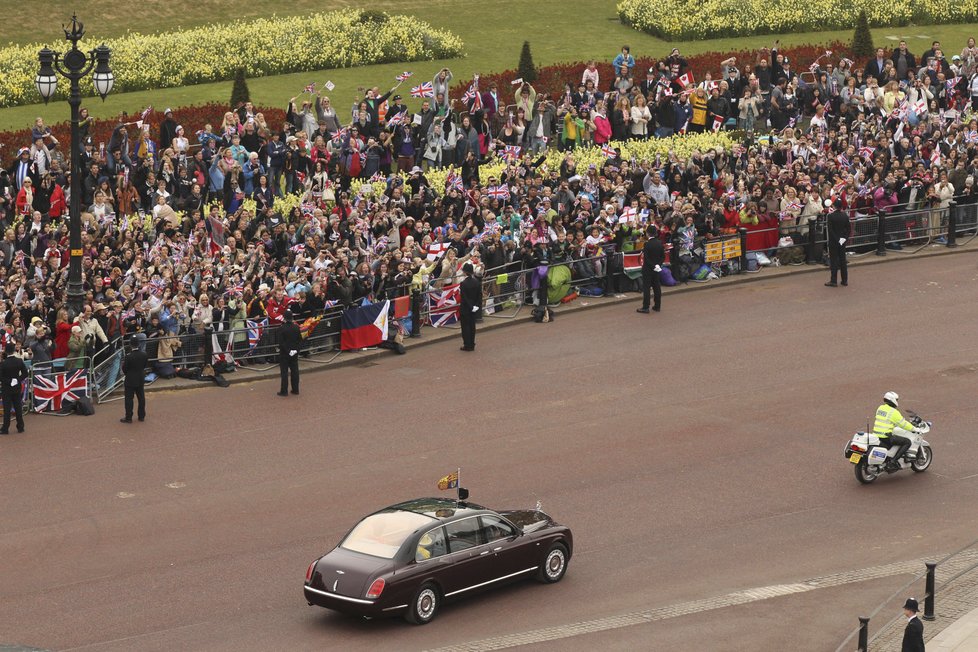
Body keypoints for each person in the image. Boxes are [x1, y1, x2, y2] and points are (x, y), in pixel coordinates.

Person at [873, 392, 921, 472]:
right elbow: (903, 424)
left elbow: (886, 420)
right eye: (896, 399)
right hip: (886, 437)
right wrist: (914, 429)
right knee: (907, 442)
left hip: (876, 435)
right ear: (893, 400)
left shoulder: (880, 408)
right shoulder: (893, 412)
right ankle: (893, 461)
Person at [0, 343, 28, 434]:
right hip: (17, 387)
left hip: (7, 388)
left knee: (7, 409)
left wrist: (9, 381)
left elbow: (1, 377)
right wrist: (17, 380)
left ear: (6, 351)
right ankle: (20, 427)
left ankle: (5, 428)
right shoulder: (19, 361)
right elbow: (25, 373)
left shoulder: (3, 364)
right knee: (18, 407)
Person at [637, 225, 665, 314]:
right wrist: (658, 265)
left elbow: (647, 258)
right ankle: (657, 305)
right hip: (657, 268)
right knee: (657, 287)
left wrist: (653, 266)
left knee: (646, 288)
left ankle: (646, 307)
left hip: (648, 269)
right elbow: (663, 256)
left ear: (648, 233)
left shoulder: (647, 244)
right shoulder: (659, 243)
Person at [825, 199, 851, 287]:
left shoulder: (830, 216)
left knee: (834, 261)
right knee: (843, 261)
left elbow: (830, 230)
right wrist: (844, 239)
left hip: (834, 242)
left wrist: (837, 239)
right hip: (842, 241)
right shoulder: (845, 215)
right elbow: (848, 229)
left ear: (834, 206)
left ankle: (833, 280)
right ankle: (844, 280)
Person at [121, 342, 148, 423]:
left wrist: (128, 373)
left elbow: (124, 368)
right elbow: (144, 365)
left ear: (131, 345)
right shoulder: (144, 354)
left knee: (129, 399)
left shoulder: (128, 356)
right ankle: (141, 416)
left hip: (130, 379)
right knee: (141, 398)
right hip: (140, 378)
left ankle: (128, 417)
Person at [277, 309, 302, 396]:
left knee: (284, 372)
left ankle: (284, 391)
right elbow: (300, 340)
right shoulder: (296, 327)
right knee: (295, 371)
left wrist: (288, 351)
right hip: (294, 353)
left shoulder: (281, 328)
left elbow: (281, 343)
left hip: (285, 353)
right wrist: (296, 350)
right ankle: (295, 389)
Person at [459, 263, 481, 352]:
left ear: (465, 272)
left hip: (466, 308)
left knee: (465, 327)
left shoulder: (463, 283)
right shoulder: (477, 282)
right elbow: (479, 296)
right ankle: (472, 343)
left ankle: (467, 344)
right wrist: (475, 306)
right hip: (474, 307)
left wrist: (470, 306)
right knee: (472, 326)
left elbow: (464, 297)